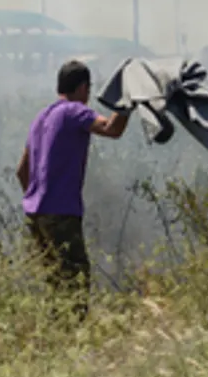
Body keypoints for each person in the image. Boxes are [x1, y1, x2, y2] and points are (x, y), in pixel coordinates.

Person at [17, 59, 129, 321]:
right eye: (88, 90)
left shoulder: (40, 118)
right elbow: (112, 129)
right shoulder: (74, 111)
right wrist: (127, 103)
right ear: (81, 88)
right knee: (75, 281)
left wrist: (35, 199)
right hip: (61, 212)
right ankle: (73, 343)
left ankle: (53, 339)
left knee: (55, 283)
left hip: (36, 213)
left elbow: (22, 170)